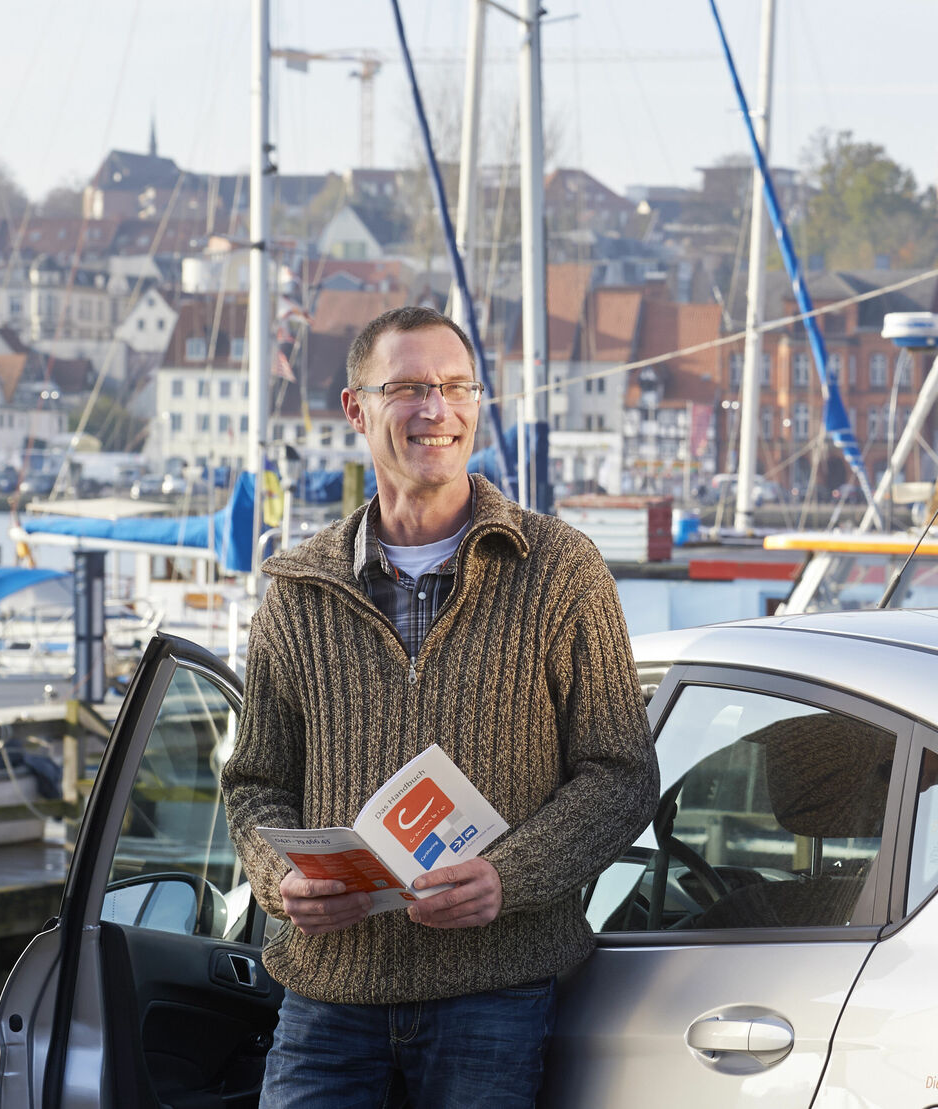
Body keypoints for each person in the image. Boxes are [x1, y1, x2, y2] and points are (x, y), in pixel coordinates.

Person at [222, 305, 658, 1108]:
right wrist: (281, 876)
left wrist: (509, 876)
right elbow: (253, 784)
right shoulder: (294, 594)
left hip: (495, 992)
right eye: (412, 387)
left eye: (458, 387)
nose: (438, 410)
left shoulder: (561, 571)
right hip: (328, 997)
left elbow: (622, 773)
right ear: (357, 408)